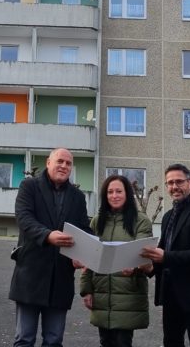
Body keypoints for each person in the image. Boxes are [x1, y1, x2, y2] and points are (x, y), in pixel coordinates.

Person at [8, 147, 90, 347]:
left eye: (68, 163)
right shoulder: (29, 186)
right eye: (60, 161)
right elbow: (24, 219)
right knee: (24, 339)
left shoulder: (78, 196)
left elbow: (84, 229)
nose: (64, 166)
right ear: (48, 162)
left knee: (54, 341)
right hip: (31, 276)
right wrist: (47, 235)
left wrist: (85, 254)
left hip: (61, 278)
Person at [140, 163, 190, 347]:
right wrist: (150, 267)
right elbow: (162, 250)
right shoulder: (168, 216)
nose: (174, 187)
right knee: (171, 342)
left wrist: (165, 257)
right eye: (170, 183)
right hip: (171, 293)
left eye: (179, 182)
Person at [80, 175, 153, 347]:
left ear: (127, 194)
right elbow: (88, 259)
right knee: (105, 342)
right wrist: (86, 290)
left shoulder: (141, 221)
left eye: (119, 191)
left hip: (128, 294)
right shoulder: (97, 222)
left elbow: (144, 254)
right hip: (101, 292)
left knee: (123, 342)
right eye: (110, 192)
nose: (114, 196)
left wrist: (135, 267)